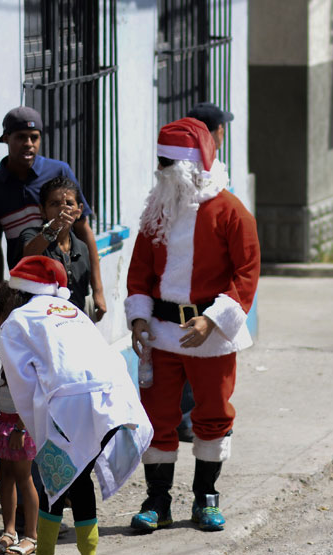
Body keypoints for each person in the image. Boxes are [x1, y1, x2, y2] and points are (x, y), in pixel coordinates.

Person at [125, 118, 261, 533]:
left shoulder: (230, 211)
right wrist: (138, 318)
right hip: (163, 334)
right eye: (160, 162)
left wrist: (214, 319)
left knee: (214, 414)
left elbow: (247, 273)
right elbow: (140, 271)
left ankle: (206, 499)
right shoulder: (157, 208)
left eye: (168, 163)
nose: (160, 170)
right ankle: (158, 501)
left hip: (211, 335)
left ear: (190, 166)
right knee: (157, 416)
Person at [0, 256, 152, 555]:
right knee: (79, 481)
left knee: (54, 482)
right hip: (107, 400)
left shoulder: (18, 320)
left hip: (64, 407)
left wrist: (35, 424)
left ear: (18, 292)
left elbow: (21, 382)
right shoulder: (75, 314)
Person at [0, 106, 107, 322]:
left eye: (34, 137)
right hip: (24, 290)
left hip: (69, 287)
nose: (28, 143)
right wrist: (0, 297)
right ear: (6, 138)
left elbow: (84, 230)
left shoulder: (59, 171)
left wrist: (98, 290)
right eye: (21, 137)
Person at [174, 102, 235, 443]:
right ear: (216, 133)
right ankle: (189, 418)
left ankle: (195, 416)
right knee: (190, 351)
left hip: (203, 282)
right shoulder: (201, 172)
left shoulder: (203, 170)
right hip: (193, 282)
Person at [0, 364, 40, 555]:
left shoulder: (26, 355)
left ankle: (31, 535)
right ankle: (9, 531)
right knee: (5, 476)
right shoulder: (8, 351)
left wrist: (20, 429)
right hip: (5, 421)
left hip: (20, 425)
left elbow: (31, 395)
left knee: (24, 477)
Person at [23, 176, 91, 314]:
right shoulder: (31, 236)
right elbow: (28, 255)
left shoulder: (82, 248)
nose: (62, 210)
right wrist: (53, 228)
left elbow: (81, 296)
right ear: (42, 210)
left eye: (69, 204)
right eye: (54, 204)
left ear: (79, 210)